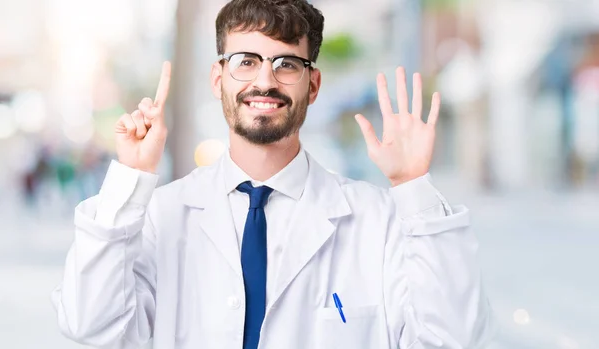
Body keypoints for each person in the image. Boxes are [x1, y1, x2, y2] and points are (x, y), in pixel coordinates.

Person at [52, 0, 494, 348]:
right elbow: (91, 324)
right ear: (218, 78)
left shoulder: (376, 220)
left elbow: (451, 337)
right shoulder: (161, 214)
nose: (265, 81)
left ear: (313, 84)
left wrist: (414, 187)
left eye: (286, 64)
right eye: (245, 61)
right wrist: (130, 179)